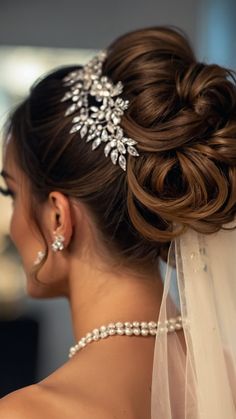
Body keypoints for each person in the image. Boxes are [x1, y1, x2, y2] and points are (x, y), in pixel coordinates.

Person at [0, 25, 235, 419]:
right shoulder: (227, 379)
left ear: (58, 217)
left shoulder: (29, 412)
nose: (11, 224)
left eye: (13, 194)